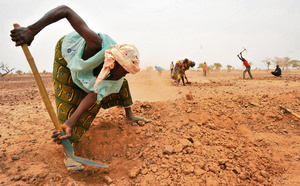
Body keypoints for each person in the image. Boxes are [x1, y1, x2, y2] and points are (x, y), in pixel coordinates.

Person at [10, 5, 148, 170]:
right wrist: (32, 30)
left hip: (87, 75)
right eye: (124, 71)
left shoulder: (115, 77)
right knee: (67, 102)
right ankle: (69, 155)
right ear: (114, 63)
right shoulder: (96, 44)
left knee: (109, 93)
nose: (124, 75)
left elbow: (93, 95)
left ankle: (129, 115)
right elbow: (65, 10)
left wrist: (71, 122)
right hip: (68, 57)